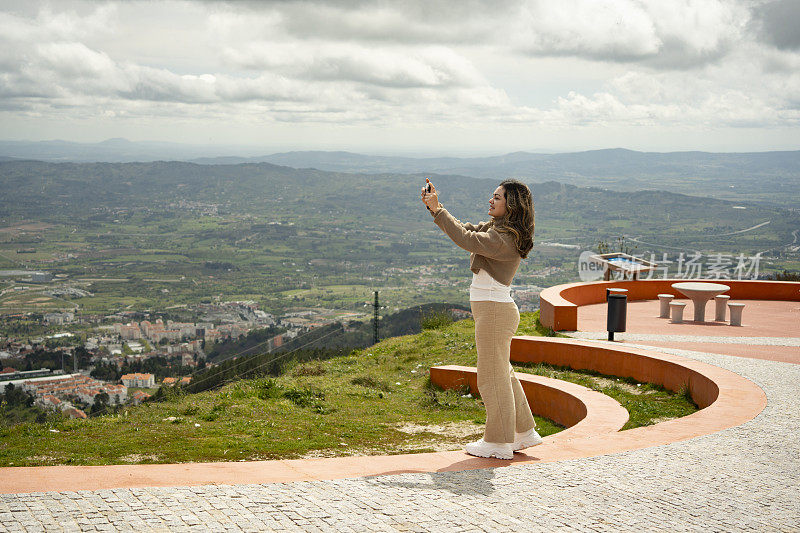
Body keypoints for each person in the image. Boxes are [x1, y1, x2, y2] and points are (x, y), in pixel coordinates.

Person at [421, 177, 542, 459]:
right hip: (493, 310)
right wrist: (435, 208)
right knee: (503, 374)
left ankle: (498, 442)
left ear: (511, 205)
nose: (491, 200)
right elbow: (467, 230)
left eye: (497, 197)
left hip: (494, 312)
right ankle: (524, 433)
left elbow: (466, 239)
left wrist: (439, 212)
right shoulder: (498, 229)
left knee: (491, 377)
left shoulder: (504, 238)